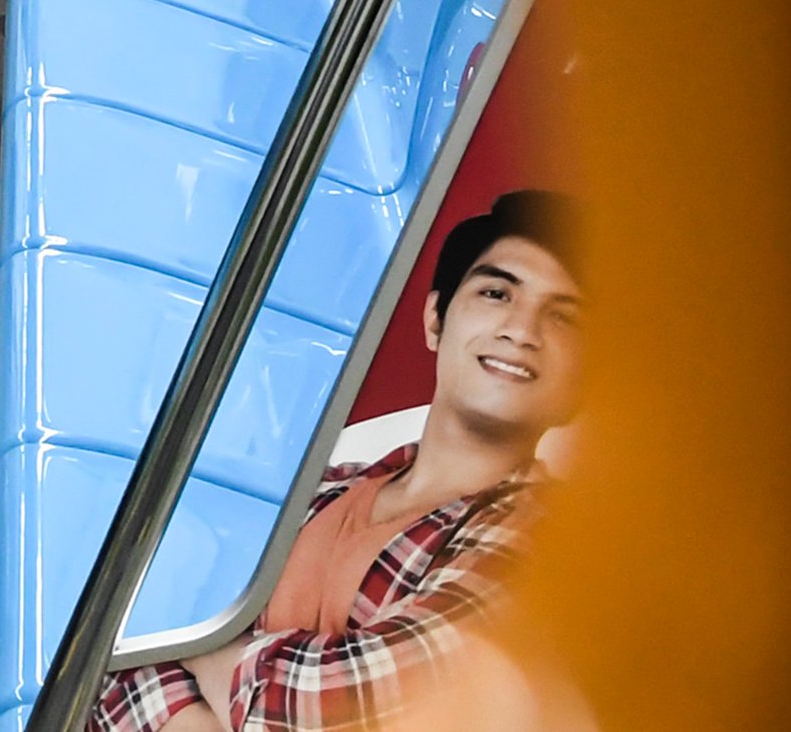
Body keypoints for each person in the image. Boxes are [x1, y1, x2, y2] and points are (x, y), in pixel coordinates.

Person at [96, 193, 581, 731]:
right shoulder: (306, 492)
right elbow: (121, 618)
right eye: (496, 293)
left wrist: (193, 636)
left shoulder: (557, 545)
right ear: (434, 319)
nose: (522, 330)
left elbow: (341, 706)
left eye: (563, 318)